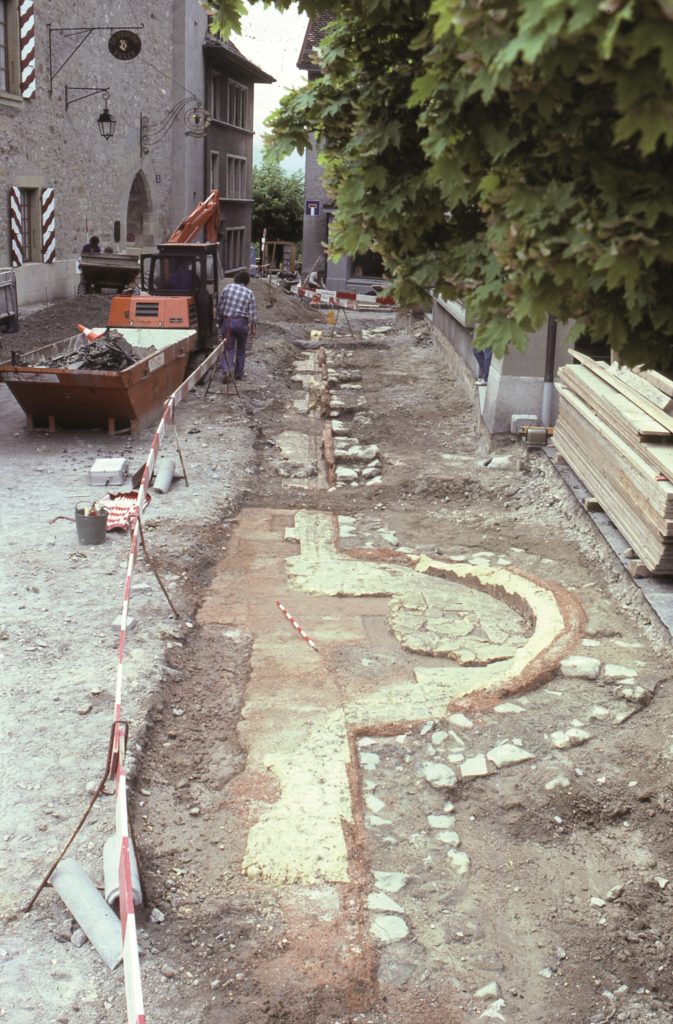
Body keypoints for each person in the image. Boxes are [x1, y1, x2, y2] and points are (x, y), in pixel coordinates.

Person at [217, 270, 257, 381]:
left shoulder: (227, 288)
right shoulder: (249, 293)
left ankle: (226, 371)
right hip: (242, 323)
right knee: (241, 349)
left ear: (236, 279)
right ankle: (238, 374)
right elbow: (253, 314)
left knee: (228, 348)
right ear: (246, 281)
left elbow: (220, 307)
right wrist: (253, 328)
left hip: (228, 322)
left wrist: (220, 321)